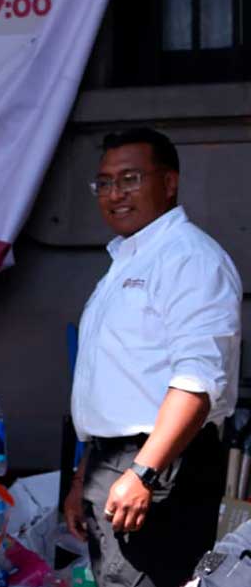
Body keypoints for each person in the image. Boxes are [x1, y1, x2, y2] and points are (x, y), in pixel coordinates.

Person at [65, 127, 241, 587]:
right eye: (104, 183)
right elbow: (116, 386)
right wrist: (86, 472)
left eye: (130, 179)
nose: (115, 194)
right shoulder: (129, 260)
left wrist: (143, 473)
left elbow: (198, 381)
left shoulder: (189, 259)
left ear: (169, 182)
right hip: (116, 463)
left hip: (159, 466)